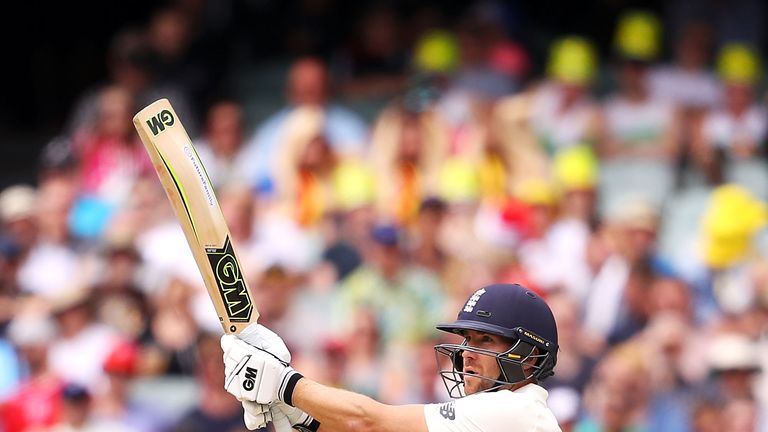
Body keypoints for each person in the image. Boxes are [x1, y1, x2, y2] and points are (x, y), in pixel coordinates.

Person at [220, 283, 561, 431]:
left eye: (485, 340)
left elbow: (370, 422)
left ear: (529, 358)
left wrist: (285, 384)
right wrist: (304, 418)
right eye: (467, 340)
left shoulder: (516, 411)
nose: (467, 354)